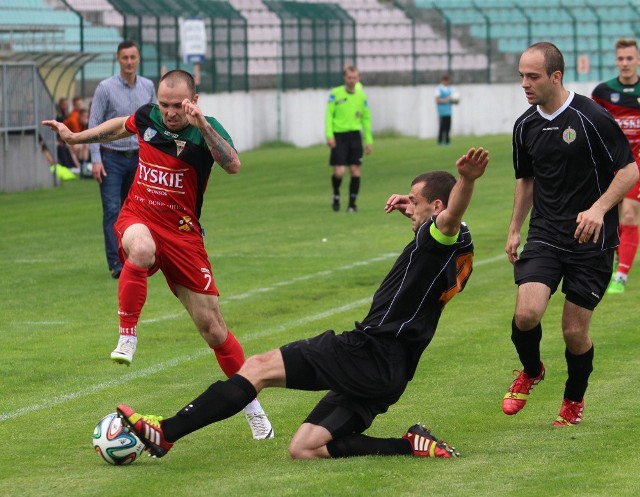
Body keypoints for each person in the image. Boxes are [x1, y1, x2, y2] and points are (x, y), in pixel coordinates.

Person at [114, 147, 489, 460]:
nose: (411, 209)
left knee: (257, 368)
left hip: (370, 351)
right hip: (393, 372)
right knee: (305, 448)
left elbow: (449, 217)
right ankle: (411, 445)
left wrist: (468, 180)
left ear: (438, 206)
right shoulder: (459, 250)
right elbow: (444, 222)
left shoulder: (442, 233)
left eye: (417, 202)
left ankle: (166, 432)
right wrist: (413, 206)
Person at [42, 69, 274, 440]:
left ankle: (250, 403)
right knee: (142, 247)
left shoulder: (204, 129)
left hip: (183, 236)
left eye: (177, 106)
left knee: (214, 330)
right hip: (140, 217)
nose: (168, 112)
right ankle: (127, 334)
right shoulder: (150, 116)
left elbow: (231, 163)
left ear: (193, 101)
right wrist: (76, 136)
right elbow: (121, 125)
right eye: (164, 105)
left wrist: (203, 125)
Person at [503, 42, 638, 427]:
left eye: (533, 76)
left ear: (556, 76)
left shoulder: (591, 116)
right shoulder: (525, 125)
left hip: (591, 241)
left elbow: (629, 171)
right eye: (521, 76)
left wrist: (598, 209)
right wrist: (514, 228)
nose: (525, 84)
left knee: (574, 331)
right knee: (526, 313)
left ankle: (573, 400)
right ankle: (531, 370)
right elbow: (525, 180)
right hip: (545, 233)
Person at [89, 41, 156, 279]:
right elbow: (94, 123)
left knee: (138, 211)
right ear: (118, 59)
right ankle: (117, 264)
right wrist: (96, 159)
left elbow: (154, 123)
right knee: (112, 211)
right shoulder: (105, 88)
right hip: (111, 157)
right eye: (124, 57)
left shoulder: (148, 86)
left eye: (133, 57)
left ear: (138, 59)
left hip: (139, 159)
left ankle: (135, 258)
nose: (129, 62)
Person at [592, 38, 640, 294]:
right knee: (612, 216)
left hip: (638, 162)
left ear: (638, 60)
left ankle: (621, 275)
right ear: (615, 61)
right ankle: (618, 257)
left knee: (630, 213)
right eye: (621, 59)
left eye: (629, 58)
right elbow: (594, 127)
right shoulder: (602, 92)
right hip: (612, 163)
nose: (625, 63)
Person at [325, 66, 372, 213]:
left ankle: (352, 204)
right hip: (339, 136)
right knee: (339, 172)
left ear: (358, 79)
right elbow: (328, 115)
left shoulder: (361, 96)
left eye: (354, 78)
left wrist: (368, 140)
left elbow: (366, 118)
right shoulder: (335, 94)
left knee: (355, 170)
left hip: (354, 136)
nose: (352, 80)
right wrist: (329, 135)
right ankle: (336, 195)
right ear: (345, 78)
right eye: (349, 77)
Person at [435, 74, 458, 146]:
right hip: (441, 111)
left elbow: (454, 100)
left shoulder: (451, 89)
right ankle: (440, 141)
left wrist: (456, 101)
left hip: (449, 111)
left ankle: (447, 141)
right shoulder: (438, 89)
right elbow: (437, 100)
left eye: (447, 81)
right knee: (442, 126)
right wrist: (447, 99)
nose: (446, 82)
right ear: (443, 81)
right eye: (445, 81)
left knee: (448, 127)